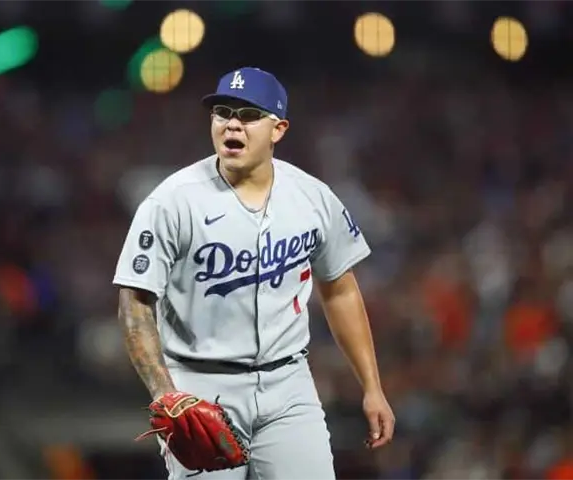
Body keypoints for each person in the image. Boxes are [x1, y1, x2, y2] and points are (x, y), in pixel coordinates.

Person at [112, 66, 395, 479]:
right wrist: (165, 392)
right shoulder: (171, 202)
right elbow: (134, 302)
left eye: (248, 115)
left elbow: (340, 289)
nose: (232, 124)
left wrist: (372, 387)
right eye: (223, 112)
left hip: (289, 385)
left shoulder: (312, 197)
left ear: (278, 129)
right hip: (200, 386)